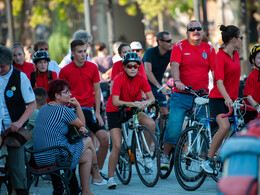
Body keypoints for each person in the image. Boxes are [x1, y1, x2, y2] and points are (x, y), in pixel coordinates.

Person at [33, 79, 106, 195]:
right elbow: (82, 124)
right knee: (88, 140)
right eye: (66, 92)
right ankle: (96, 174)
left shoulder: (43, 109)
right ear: (57, 95)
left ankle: (86, 191)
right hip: (57, 156)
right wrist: (78, 105)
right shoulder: (63, 110)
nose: (70, 95)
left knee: (87, 155)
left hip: (39, 158)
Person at [161, 20, 216, 170]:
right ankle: (165, 156)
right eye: (192, 29)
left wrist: (218, 86)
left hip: (202, 96)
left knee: (205, 126)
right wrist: (177, 80)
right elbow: (174, 65)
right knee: (174, 126)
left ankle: (204, 158)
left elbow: (215, 71)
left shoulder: (209, 49)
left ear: (202, 31)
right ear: (187, 32)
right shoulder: (179, 46)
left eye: (199, 29)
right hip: (181, 93)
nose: (196, 31)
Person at [59, 39, 109, 178]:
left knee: (104, 138)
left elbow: (97, 90)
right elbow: (61, 95)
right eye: (79, 52)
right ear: (73, 53)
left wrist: (98, 113)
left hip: (89, 109)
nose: (83, 55)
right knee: (82, 143)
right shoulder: (64, 71)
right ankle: (86, 175)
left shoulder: (92, 67)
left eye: (84, 51)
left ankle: (96, 172)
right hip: (72, 111)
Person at [106, 52, 155, 189]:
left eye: (136, 66)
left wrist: (146, 102)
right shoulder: (118, 78)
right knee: (116, 145)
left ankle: (146, 153)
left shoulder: (141, 78)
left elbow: (152, 98)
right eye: (130, 66)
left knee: (151, 123)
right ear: (124, 67)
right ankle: (110, 178)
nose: (133, 68)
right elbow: (115, 101)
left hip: (132, 109)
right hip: (115, 111)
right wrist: (135, 103)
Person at [201, 24, 242, 174]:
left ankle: (227, 161)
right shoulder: (219, 57)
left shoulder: (236, 55)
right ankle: (208, 160)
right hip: (218, 99)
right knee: (224, 127)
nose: (242, 40)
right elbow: (219, 82)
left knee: (236, 129)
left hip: (231, 100)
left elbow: (235, 80)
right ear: (233, 39)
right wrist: (226, 98)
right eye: (240, 37)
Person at [0, 45, 36, 195]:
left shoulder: (19, 77)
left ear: (9, 63)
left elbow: (32, 103)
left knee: (18, 171)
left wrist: (19, 123)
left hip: (14, 129)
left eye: (2, 66)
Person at [142, 31, 173, 115]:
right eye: (168, 41)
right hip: (143, 85)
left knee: (164, 113)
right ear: (160, 42)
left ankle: (160, 127)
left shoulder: (170, 53)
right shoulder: (150, 52)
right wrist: (160, 86)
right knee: (147, 114)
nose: (171, 43)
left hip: (157, 86)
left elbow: (176, 67)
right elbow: (148, 72)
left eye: (171, 40)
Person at [242, 44, 260, 124]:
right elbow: (249, 97)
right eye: (259, 58)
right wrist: (257, 107)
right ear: (253, 60)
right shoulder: (252, 76)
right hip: (251, 111)